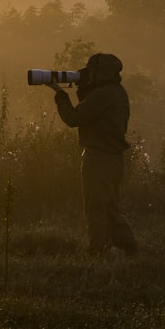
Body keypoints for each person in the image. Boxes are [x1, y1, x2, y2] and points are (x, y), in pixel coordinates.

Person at [46, 53, 138, 257]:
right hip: (114, 159)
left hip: (98, 158)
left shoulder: (103, 95)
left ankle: (97, 251)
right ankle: (129, 247)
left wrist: (59, 92)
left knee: (95, 205)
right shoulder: (117, 92)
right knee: (111, 205)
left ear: (99, 72)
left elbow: (73, 118)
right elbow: (93, 112)